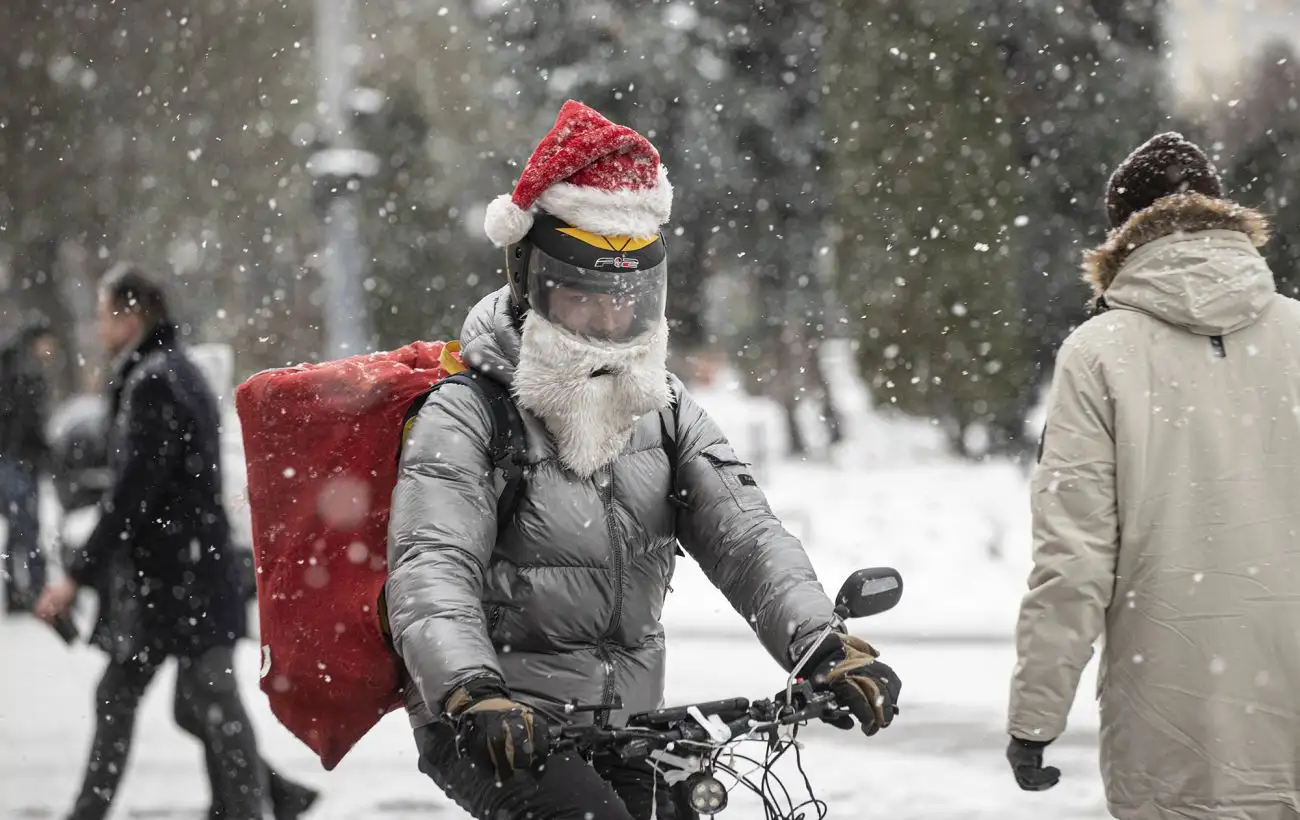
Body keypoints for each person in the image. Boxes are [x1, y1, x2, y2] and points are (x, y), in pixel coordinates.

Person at [384, 99, 903, 820]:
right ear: (529, 283)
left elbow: (747, 537)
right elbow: (431, 566)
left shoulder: (659, 406)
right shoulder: (468, 413)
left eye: (627, 302)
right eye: (583, 299)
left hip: (625, 726)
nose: (608, 323)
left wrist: (822, 644)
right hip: (494, 723)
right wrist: (474, 690)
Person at [1006, 132, 1300, 818]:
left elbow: (1072, 561)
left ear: (1120, 237)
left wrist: (1035, 717)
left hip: (1172, 720)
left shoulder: (1098, 354)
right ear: (1224, 217)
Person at [35, 264, 317, 820]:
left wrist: (76, 575)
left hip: (174, 581)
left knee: (176, 700)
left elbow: (132, 495)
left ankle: (243, 807)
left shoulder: (153, 381)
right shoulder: (172, 371)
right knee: (197, 703)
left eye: (102, 314)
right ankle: (267, 800)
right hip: (186, 575)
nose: (97, 326)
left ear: (131, 315)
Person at [0, 314, 56, 613]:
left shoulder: (11, 363)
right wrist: (39, 451)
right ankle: (35, 589)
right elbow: (27, 419)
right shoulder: (26, 369)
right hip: (19, 459)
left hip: (10, 457)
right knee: (28, 527)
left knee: (17, 528)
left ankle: (15, 591)